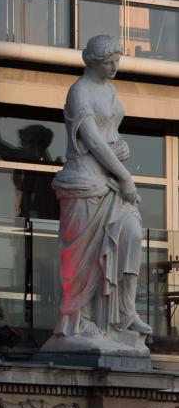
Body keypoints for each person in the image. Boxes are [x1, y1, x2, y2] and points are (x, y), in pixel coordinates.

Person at [48, 34, 150, 345]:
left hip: (111, 179)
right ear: (94, 61)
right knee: (86, 258)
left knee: (132, 236)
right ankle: (81, 318)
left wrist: (121, 148)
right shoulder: (79, 92)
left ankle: (124, 311)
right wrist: (125, 177)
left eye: (117, 60)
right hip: (86, 182)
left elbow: (109, 134)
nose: (115, 67)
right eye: (109, 62)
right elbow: (91, 140)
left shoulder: (111, 90)